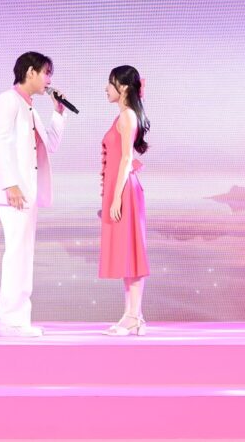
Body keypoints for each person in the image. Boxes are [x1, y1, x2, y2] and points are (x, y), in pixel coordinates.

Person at [0, 51, 67, 337]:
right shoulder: (8, 100)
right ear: (31, 72)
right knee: (16, 254)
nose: (49, 80)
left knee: (24, 254)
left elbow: (51, 145)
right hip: (15, 193)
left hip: (27, 193)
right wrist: (10, 184)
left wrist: (58, 112)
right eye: (47, 73)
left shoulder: (30, 108)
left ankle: (18, 319)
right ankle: (10, 320)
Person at [98, 65, 151, 336]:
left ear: (124, 87)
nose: (106, 88)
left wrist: (117, 198)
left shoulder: (127, 115)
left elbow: (127, 159)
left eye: (111, 83)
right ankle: (133, 315)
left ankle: (133, 316)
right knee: (126, 254)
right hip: (119, 190)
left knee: (132, 252)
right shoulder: (123, 115)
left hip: (125, 191)